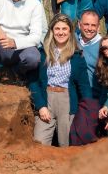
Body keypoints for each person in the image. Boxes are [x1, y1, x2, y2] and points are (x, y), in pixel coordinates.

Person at [27, 14, 92, 147]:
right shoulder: (42, 53)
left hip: (67, 102)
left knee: (67, 145)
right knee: (39, 143)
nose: (60, 32)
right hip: (47, 100)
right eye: (57, 29)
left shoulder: (77, 57)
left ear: (70, 32)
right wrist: (41, 106)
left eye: (64, 29)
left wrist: (88, 111)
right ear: (52, 31)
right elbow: (33, 81)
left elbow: (84, 87)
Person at [76, 10, 102, 98]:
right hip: (72, 91)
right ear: (79, 25)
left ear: (98, 27)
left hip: (93, 94)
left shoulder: (103, 46)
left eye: (93, 25)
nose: (90, 28)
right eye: (86, 24)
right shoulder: (72, 39)